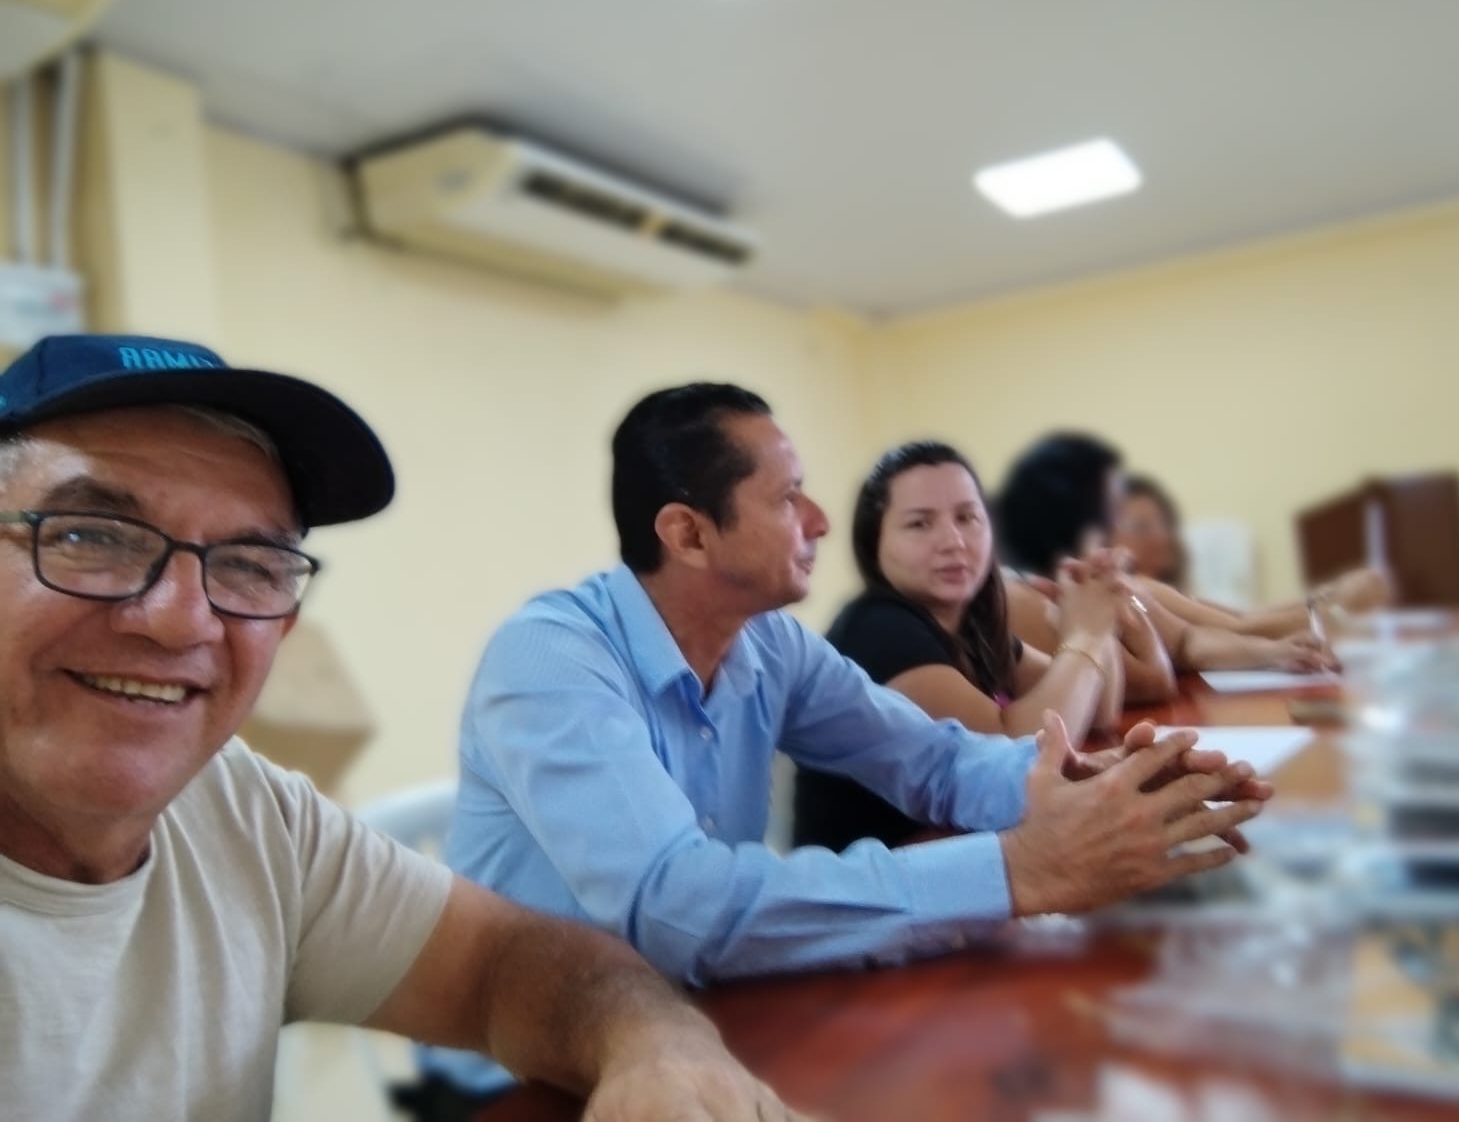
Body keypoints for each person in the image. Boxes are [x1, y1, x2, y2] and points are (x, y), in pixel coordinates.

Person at [0, 334, 797, 1122]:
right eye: (88, 536)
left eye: (248, 563)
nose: (181, 620)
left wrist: (658, 1048)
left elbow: (505, 963)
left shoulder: (244, 814)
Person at [428, 383, 1271, 1093]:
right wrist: (1019, 869)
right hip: (532, 1075)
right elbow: (676, 908)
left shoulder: (769, 642)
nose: (820, 520)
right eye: (786, 497)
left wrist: (1077, 784)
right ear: (686, 533)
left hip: (699, 1021)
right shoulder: (550, 661)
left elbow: (933, 760)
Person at [790, 440, 1132, 853]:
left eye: (967, 517)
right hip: (880, 879)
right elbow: (1020, 753)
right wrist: (1086, 634)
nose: (953, 541)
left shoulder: (973, 628)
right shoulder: (876, 629)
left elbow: (1099, 711)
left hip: (958, 855)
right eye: (920, 524)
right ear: (874, 543)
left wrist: (1098, 606)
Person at [995, 434, 1337, 702]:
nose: (1116, 528)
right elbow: (1153, 682)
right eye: (1113, 512)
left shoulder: (1106, 581)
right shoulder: (1022, 601)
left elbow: (1185, 640)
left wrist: (1274, 653)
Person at [1114, 471, 1393, 638]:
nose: (1163, 537)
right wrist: (1338, 609)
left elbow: (1244, 616)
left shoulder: (1156, 589)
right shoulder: (1139, 588)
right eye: (1142, 527)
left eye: (1164, 524)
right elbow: (1239, 629)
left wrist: (1328, 595)